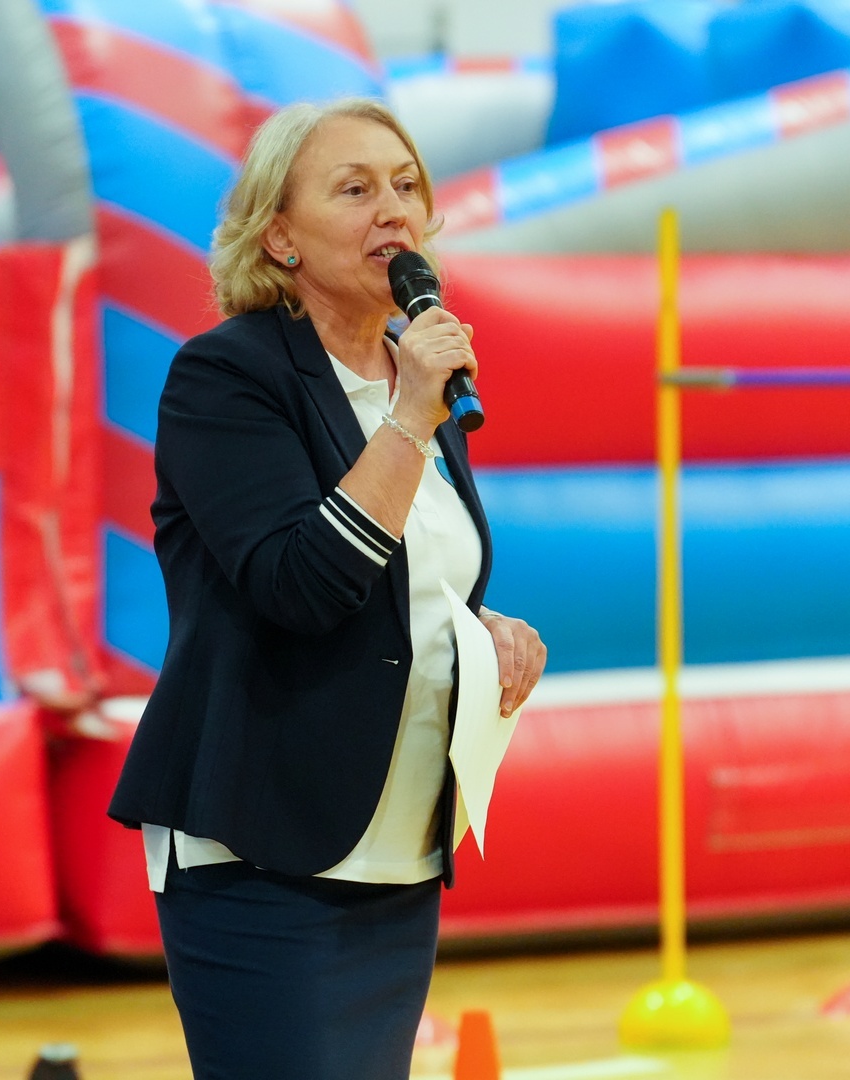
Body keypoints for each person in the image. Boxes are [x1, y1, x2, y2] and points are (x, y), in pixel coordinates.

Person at [106, 98, 548, 1079]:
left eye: (406, 185)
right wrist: (408, 417)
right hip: (264, 850)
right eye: (354, 189)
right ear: (281, 236)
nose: (393, 209)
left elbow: (399, 576)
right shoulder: (227, 378)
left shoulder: (412, 383)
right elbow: (301, 584)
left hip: (396, 851)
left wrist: (478, 629)